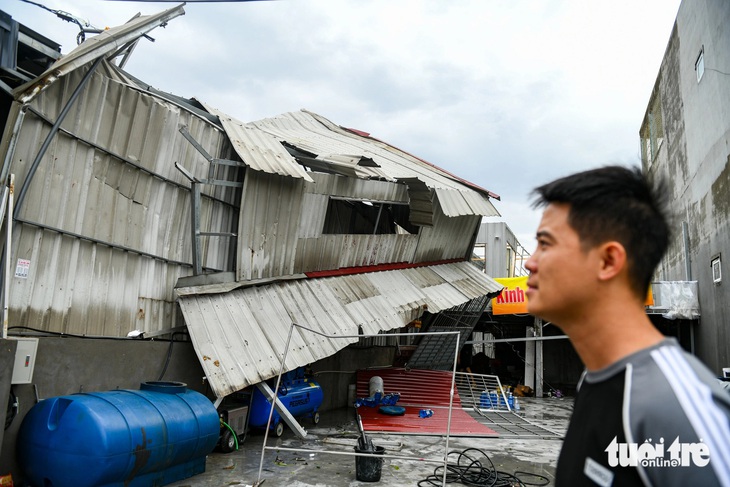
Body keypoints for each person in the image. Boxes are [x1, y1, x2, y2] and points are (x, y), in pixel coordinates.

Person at [524, 165, 730, 486]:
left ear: (608, 261)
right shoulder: (595, 379)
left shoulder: (672, 406)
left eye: (545, 244)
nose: (529, 261)